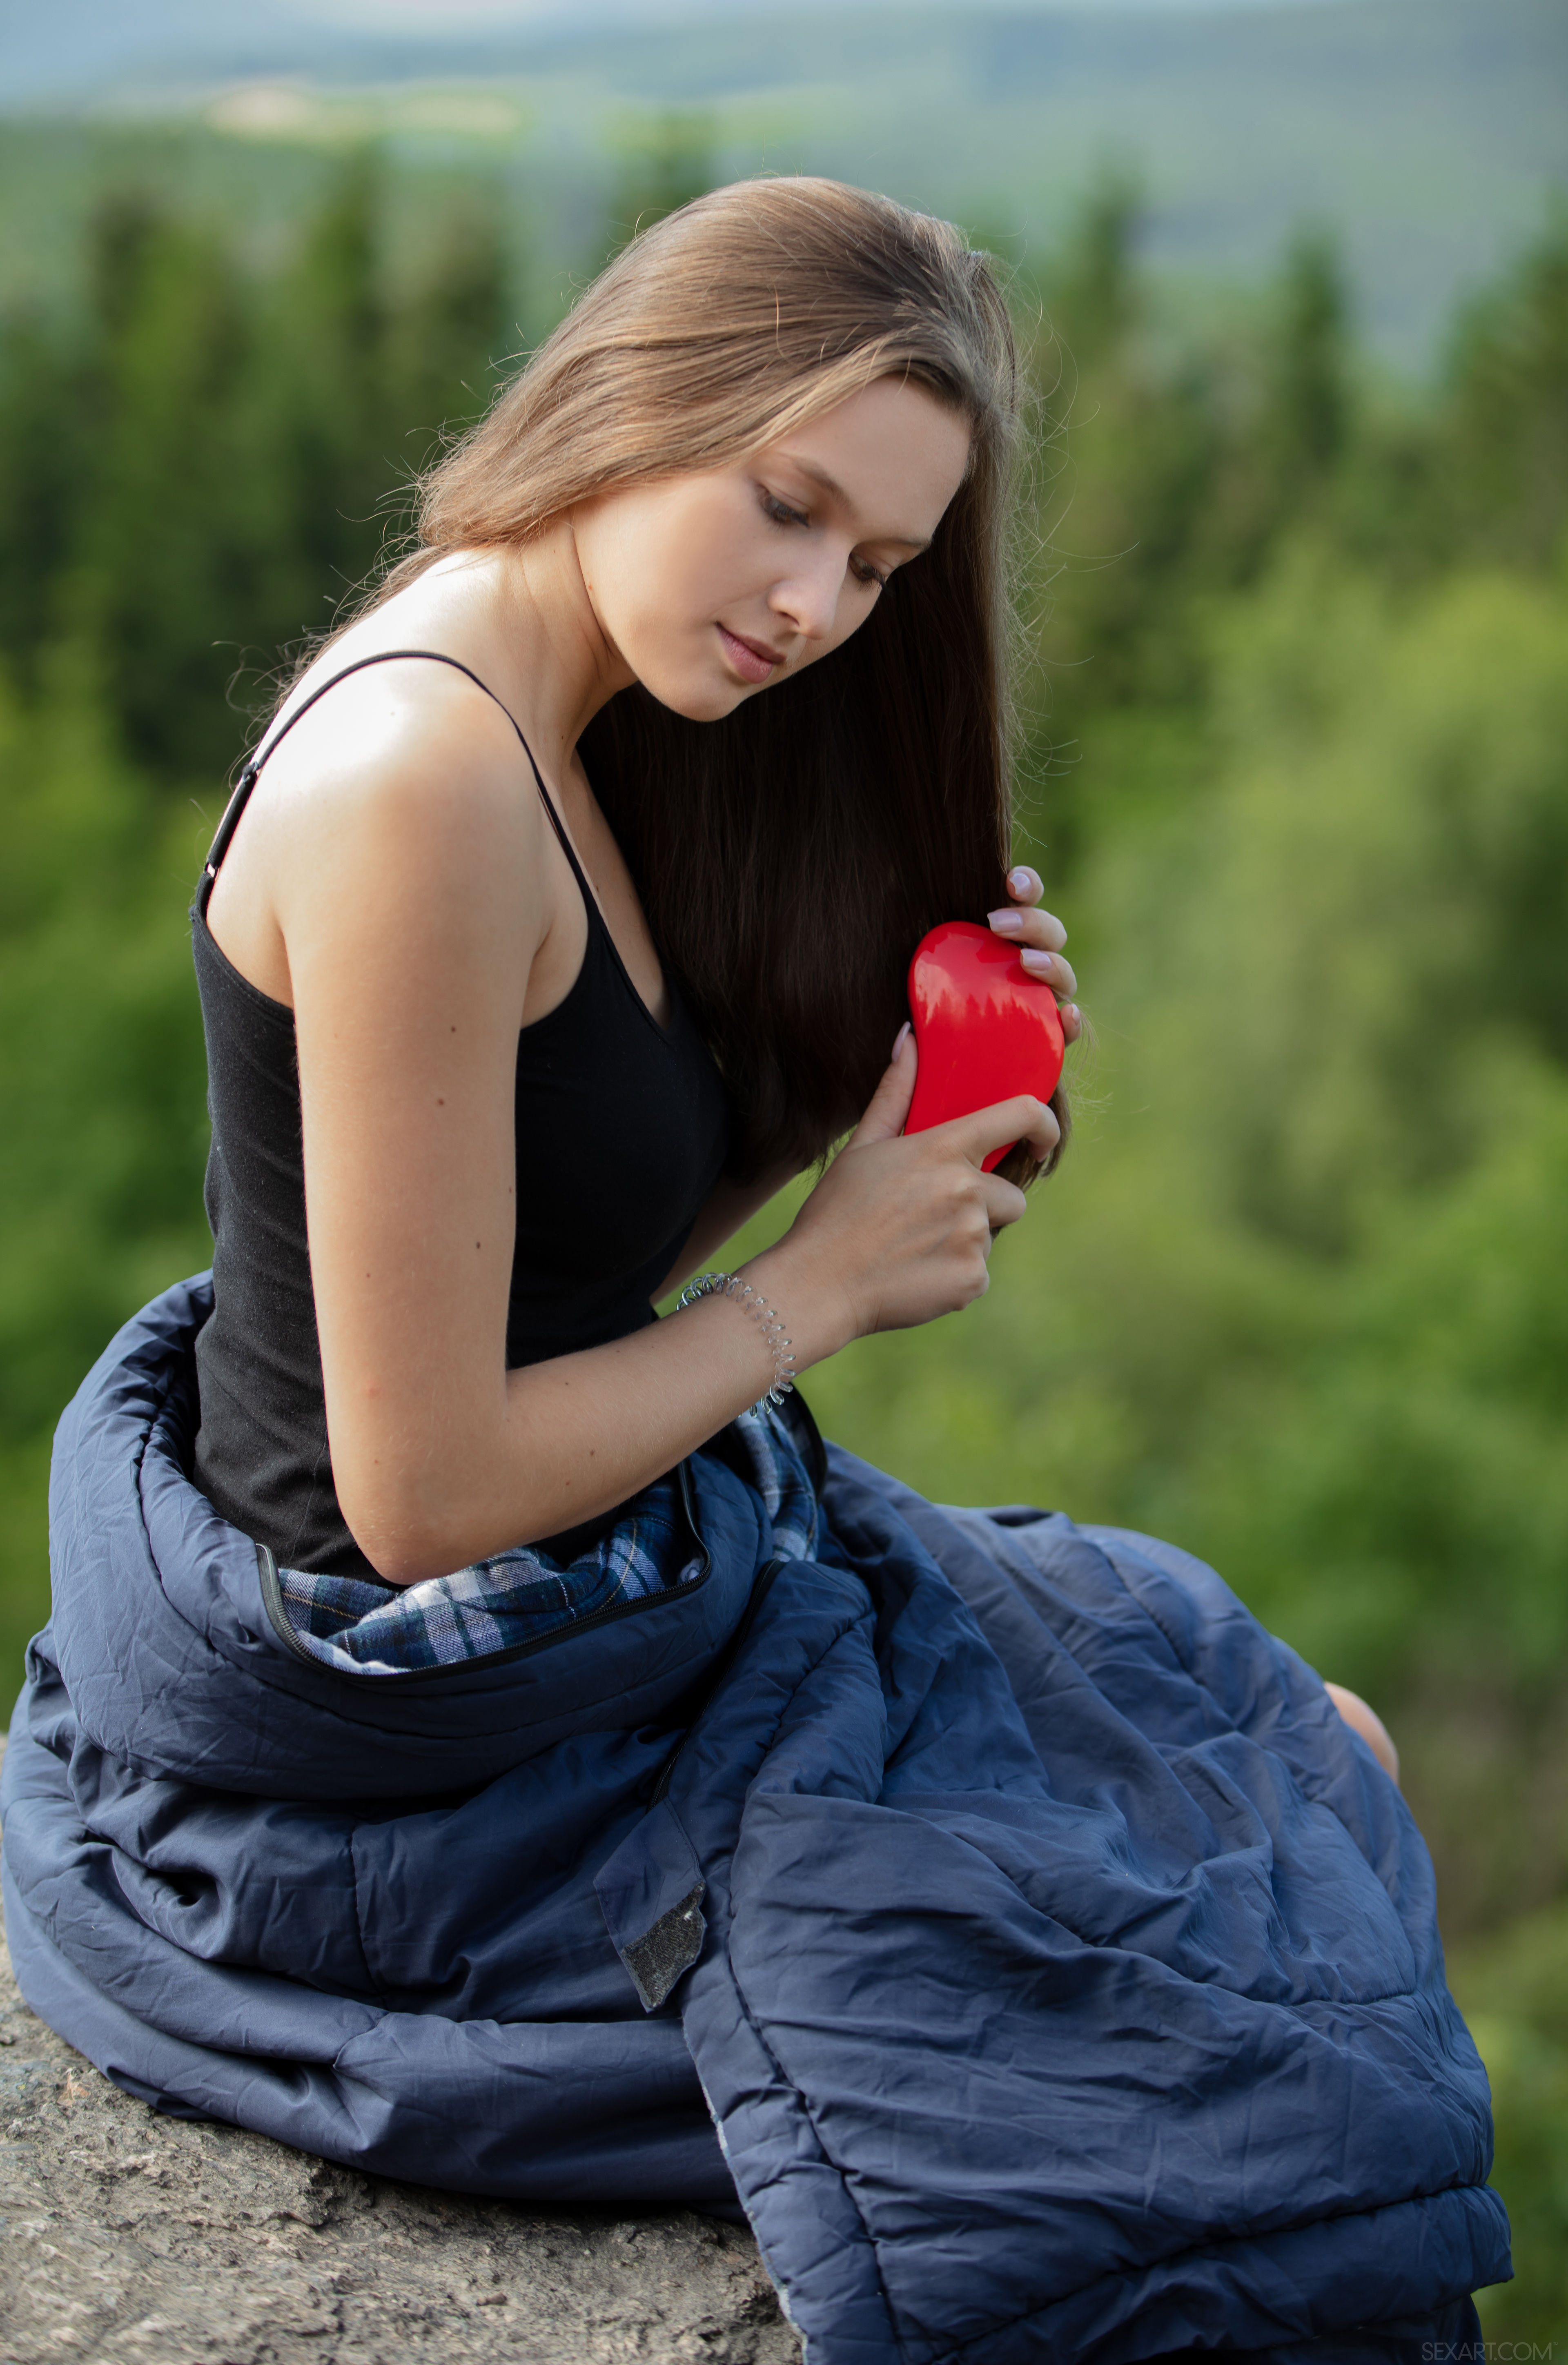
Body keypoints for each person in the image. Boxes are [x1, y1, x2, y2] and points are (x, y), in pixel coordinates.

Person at [1, 180, 1499, 2362]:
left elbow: (554, 1269)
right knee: (1230, 1963)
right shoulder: (425, 779)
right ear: (636, 399)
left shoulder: (574, 699)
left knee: (1299, 1755)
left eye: (878, 566)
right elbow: (419, 1498)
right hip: (425, 1741)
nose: (815, 605)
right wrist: (823, 1285)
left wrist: (861, 1114)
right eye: (787, 508)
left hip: (612, 1604)